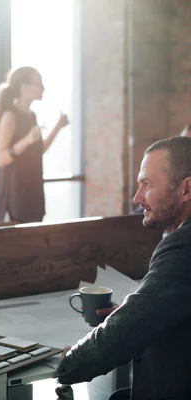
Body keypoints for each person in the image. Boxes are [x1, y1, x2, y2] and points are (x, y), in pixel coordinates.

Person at [56, 136, 191, 400]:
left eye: (147, 184)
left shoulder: (183, 246)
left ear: (186, 189)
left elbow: (125, 333)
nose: (137, 197)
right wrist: (133, 312)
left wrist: (66, 365)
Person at [0, 66, 69, 223]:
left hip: (32, 191)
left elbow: (39, 150)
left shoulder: (32, 115)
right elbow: (1, 159)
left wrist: (58, 127)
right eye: (38, 83)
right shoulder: (9, 116)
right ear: (24, 87)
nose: (43, 88)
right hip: (15, 197)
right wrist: (27, 140)